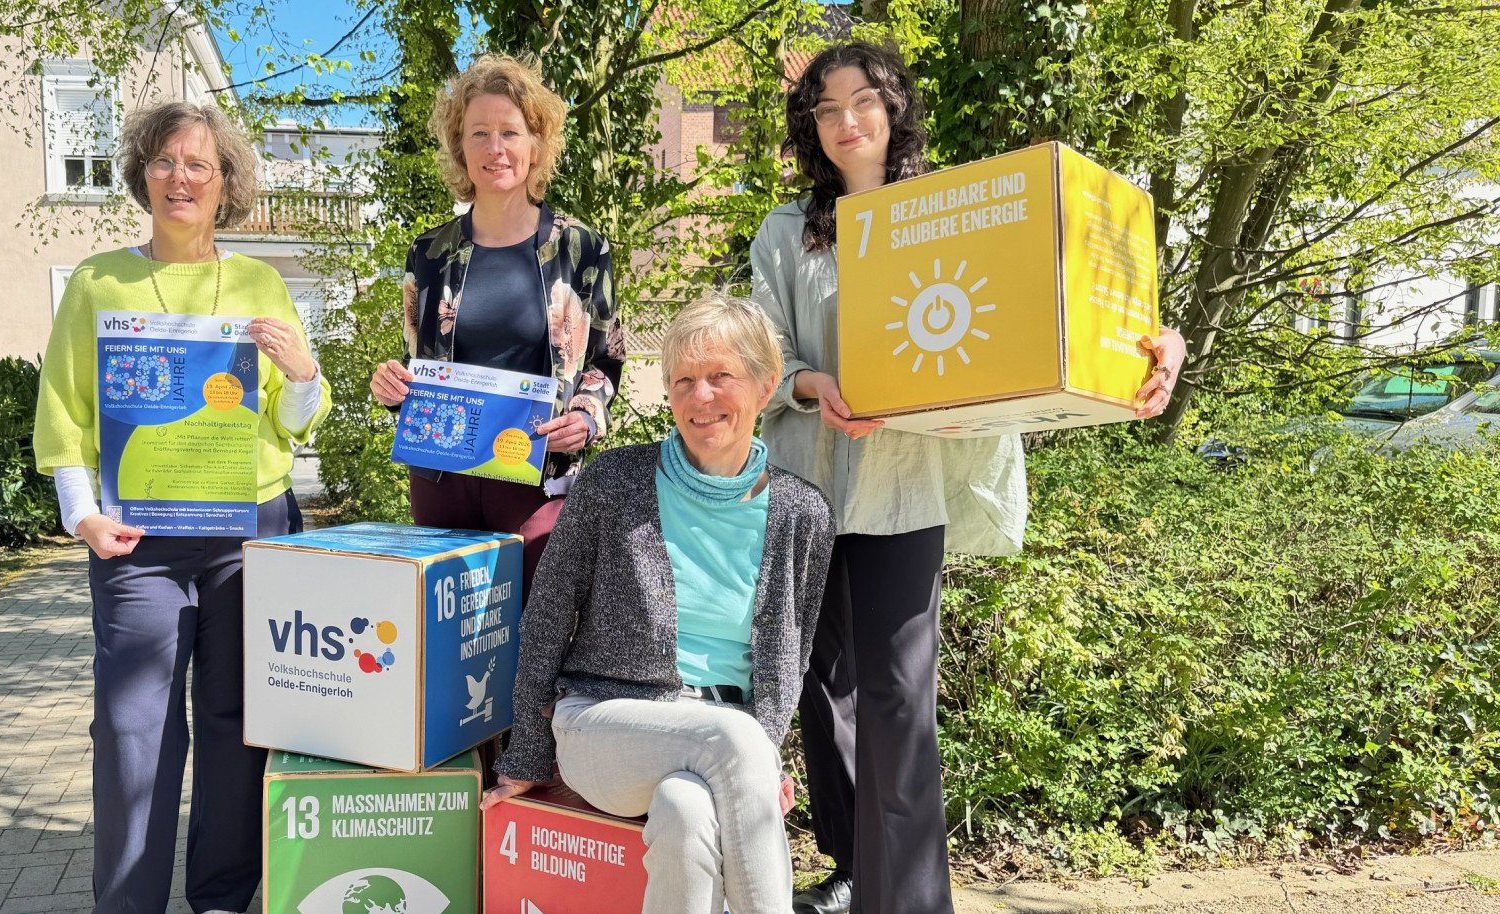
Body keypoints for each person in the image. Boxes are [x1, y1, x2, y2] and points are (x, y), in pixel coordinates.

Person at [753, 43, 1189, 914]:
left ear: (894, 108)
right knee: (814, 686)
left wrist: (1149, 341)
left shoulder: (959, 210)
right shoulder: (783, 230)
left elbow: (1056, 298)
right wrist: (809, 383)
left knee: (898, 699)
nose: (846, 121)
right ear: (811, 125)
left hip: (903, 487)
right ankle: (853, 870)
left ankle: (909, 902)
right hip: (804, 491)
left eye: (863, 101)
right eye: (826, 106)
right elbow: (759, 351)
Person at [32, 101, 331, 914]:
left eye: (199, 164)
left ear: (225, 181)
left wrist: (303, 373)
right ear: (141, 174)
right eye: (165, 161)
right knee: (134, 735)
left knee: (239, 731)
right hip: (139, 545)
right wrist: (81, 513)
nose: (180, 178)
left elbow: (290, 420)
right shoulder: (99, 281)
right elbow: (63, 407)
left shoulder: (261, 283)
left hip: (251, 537)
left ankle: (223, 902)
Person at [481, 294, 835, 914]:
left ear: (764, 383)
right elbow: (546, 621)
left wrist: (759, 756)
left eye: (722, 376)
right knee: (736, 740)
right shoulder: (610, 484)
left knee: (685, 810)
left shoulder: (804, 513)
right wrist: (528, 756)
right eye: (684, 382)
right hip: (604, 725)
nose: (702, 398)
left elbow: (786, 660)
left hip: (726, 741)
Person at [367, 54, 621, 589]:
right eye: (478, 132)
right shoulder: (428, 253)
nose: (495, 148)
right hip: (442, 479)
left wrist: (587, 414)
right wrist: (393, 385)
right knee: (444, 641)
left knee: (534, 643)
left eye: (510, 131)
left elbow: (606, 359)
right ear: (460, 145)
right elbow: (419, 363)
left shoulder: (582, 248)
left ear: (537, 142)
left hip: (536, 480)